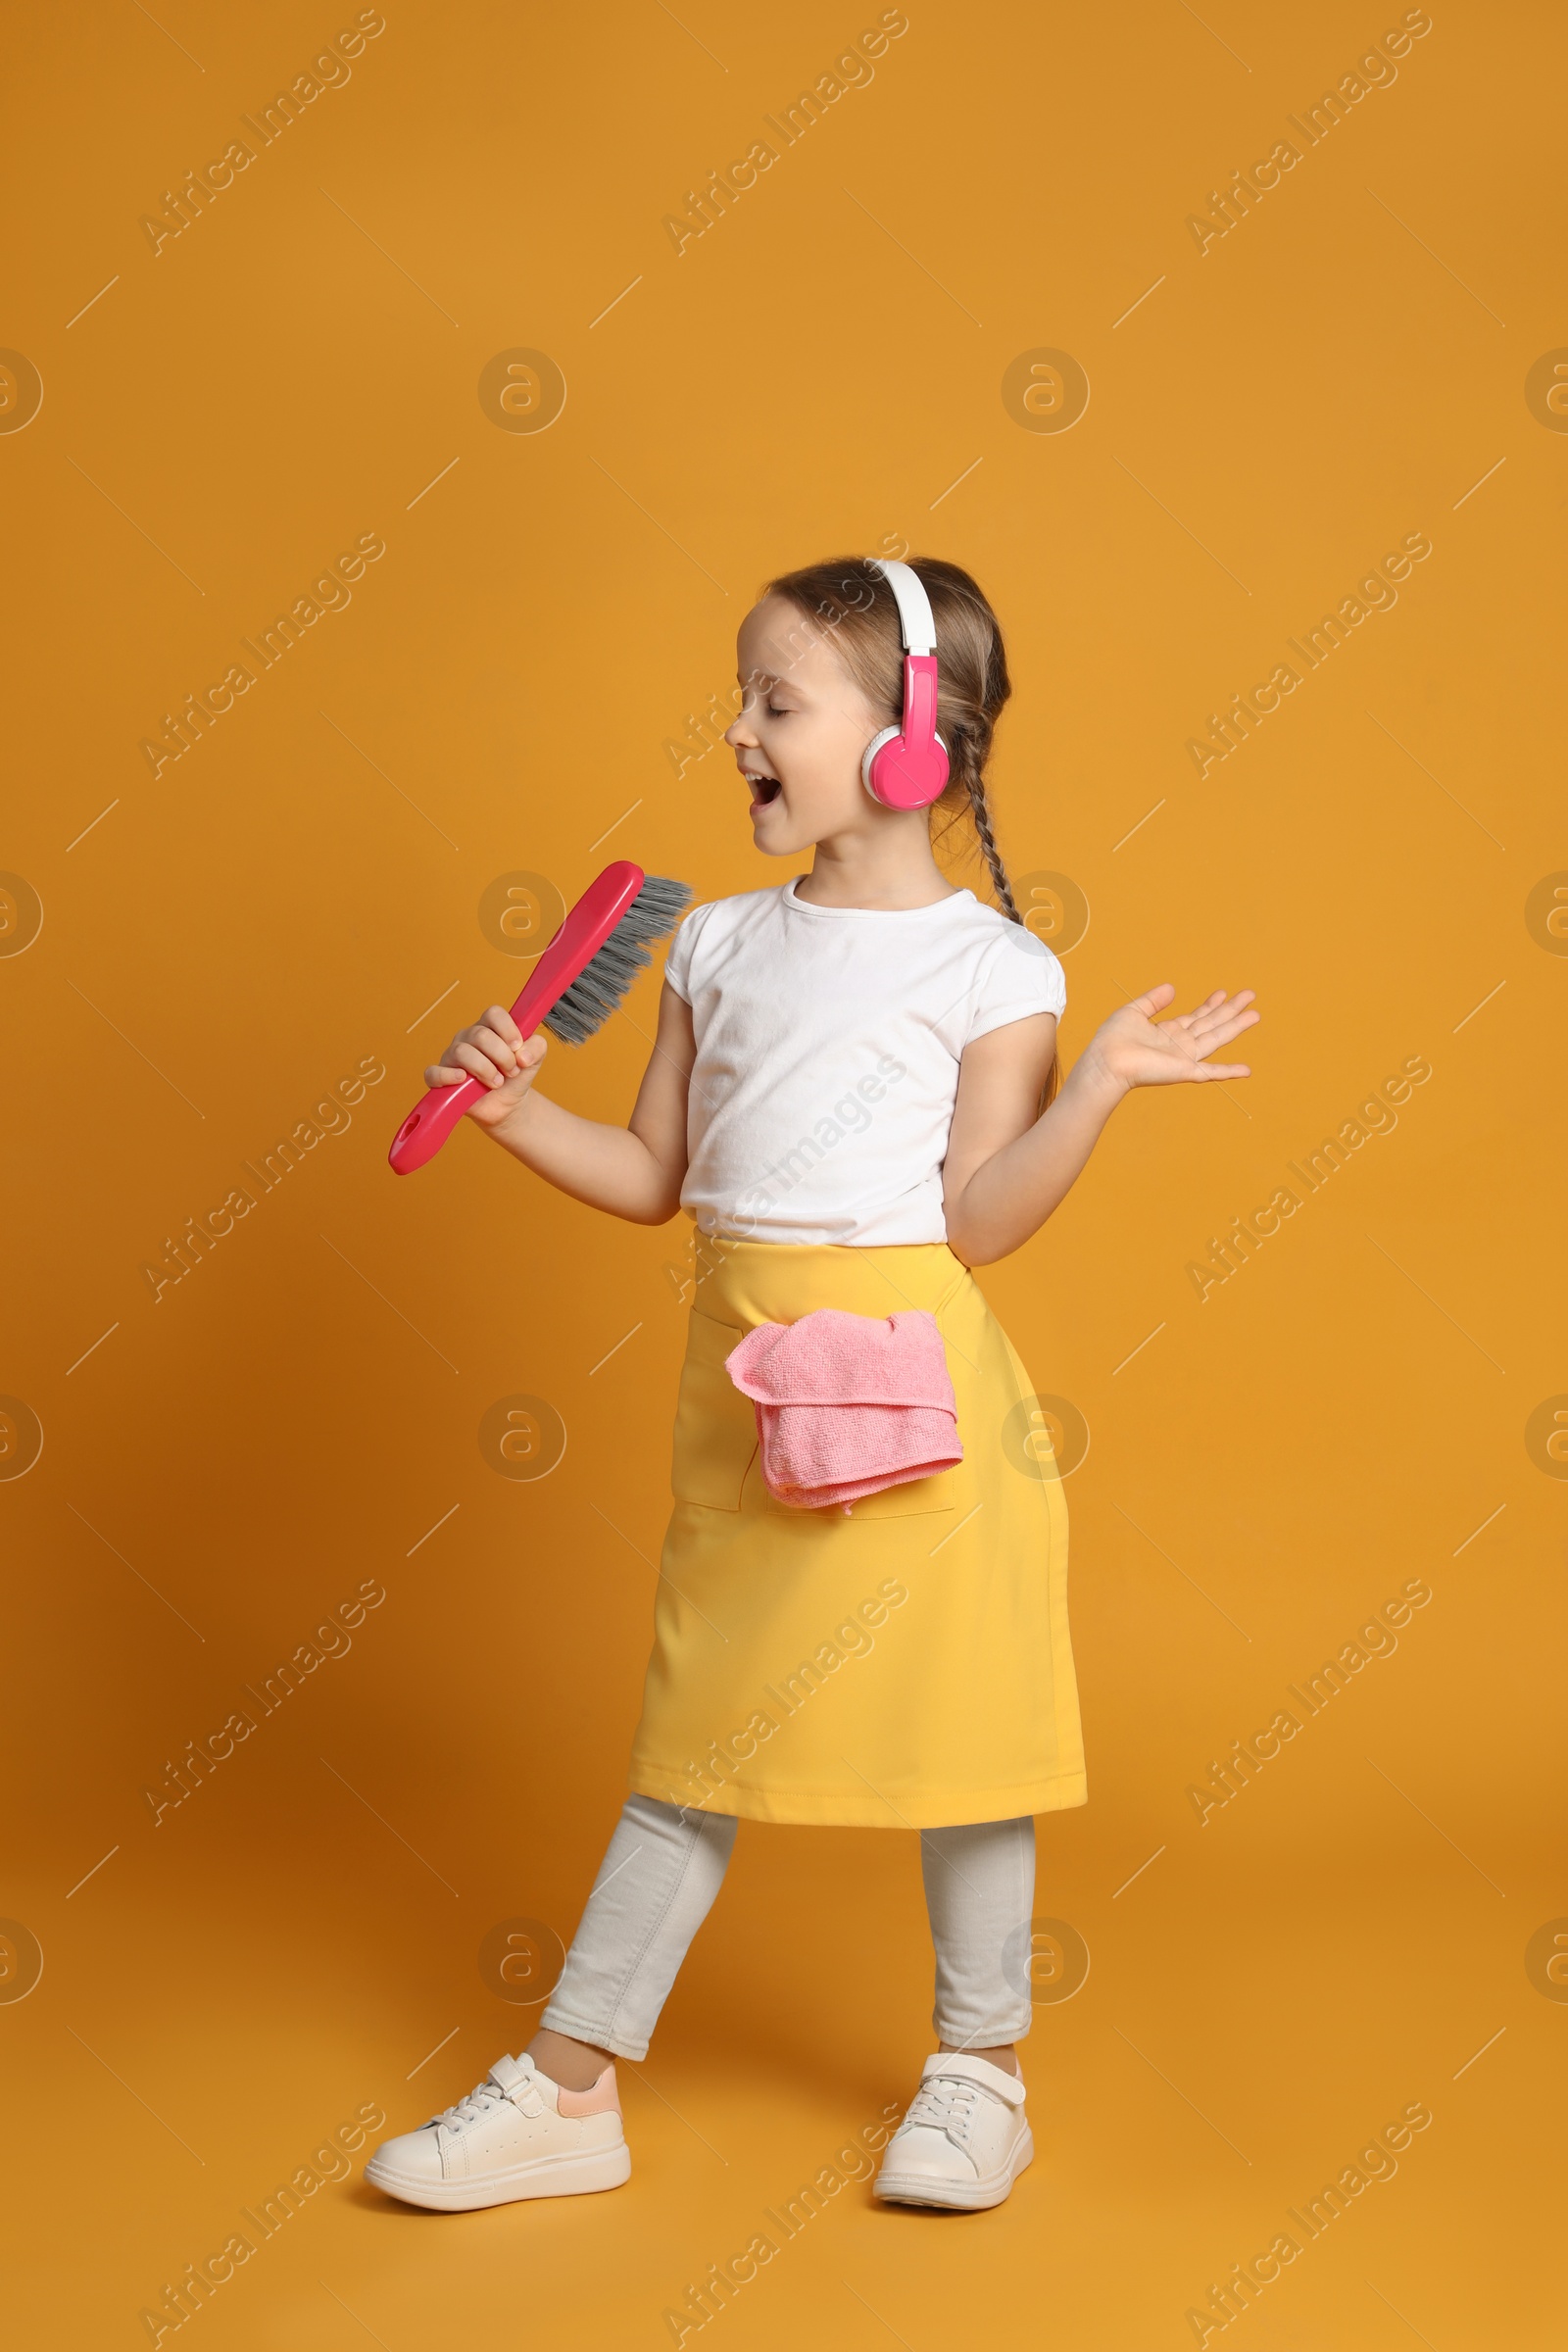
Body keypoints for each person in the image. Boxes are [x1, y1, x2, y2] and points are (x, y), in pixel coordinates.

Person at [365, 556, 1258, 2216]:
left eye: (776, 704)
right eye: (744, 700)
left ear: (912, 738)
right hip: (745, 1395)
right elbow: (653, 1177)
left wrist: (1104, 1090)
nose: (738, 733)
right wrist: (510, 1116)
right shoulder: (711, 943)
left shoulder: (1000, 973)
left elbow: (978, 1221)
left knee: (966, 1741)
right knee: (698, 1741)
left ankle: (981, 2078)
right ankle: (569, 2096)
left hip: (924, 1411)